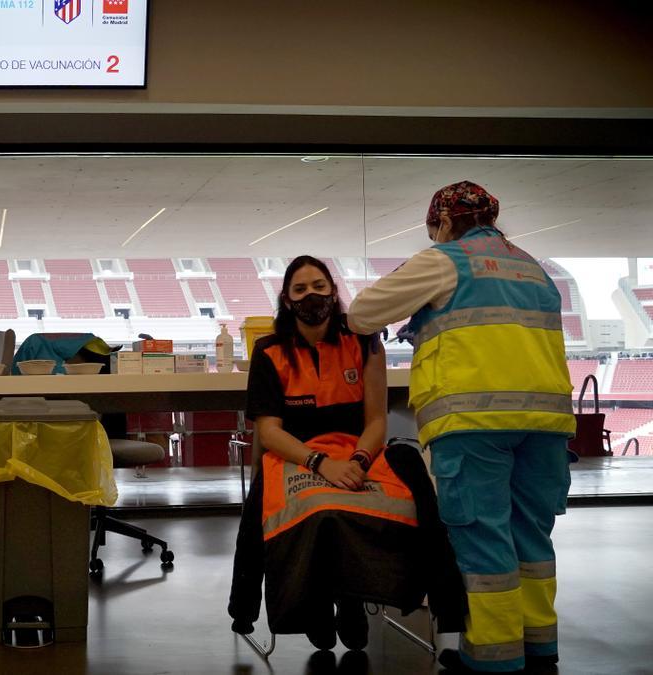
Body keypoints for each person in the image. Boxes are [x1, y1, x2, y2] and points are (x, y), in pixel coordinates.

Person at [347, 181, 575, 674]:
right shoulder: (535, 268)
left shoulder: (443, 259)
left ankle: (493, 658)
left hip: (475, 421)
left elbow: (363, 315)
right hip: (548, 422)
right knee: (533, 539)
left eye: (435, 227)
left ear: (445, 222)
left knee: (482, 534)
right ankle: (540, 649)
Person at [229, 256, 465, 651]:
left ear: (334, 293)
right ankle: (317, 606)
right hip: (296, 455)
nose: (311, 296)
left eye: (319, 286)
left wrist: (355, 462)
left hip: (360, 452)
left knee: (392, 507)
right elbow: (269, 432)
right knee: (319, 512)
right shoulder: (270, 351)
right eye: (300, 289)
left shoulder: (364, 340)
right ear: (286, 300)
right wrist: (321, 464)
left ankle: (351, 598)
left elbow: (376, 421)